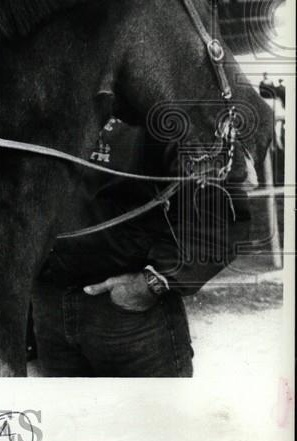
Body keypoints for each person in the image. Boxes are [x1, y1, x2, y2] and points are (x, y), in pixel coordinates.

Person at [31, 116, 256, 377]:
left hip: (130, 316)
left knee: (151, 416)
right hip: (49, 312)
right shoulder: (41, 96)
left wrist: (151, 284)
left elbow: (220, 211)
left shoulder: (160, 99)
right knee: (67, 417)